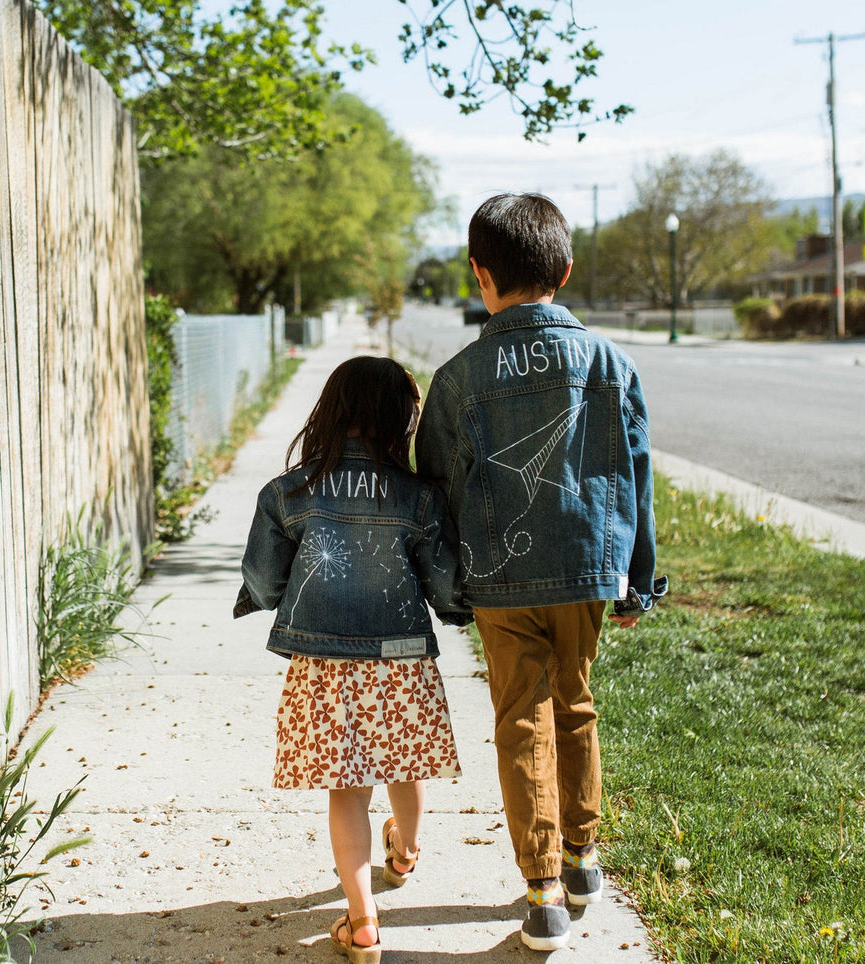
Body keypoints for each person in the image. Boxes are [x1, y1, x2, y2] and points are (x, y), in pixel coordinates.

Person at [414, 193, 668, 951]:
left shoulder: (457, 378)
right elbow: (636, 475)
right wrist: (639, 577)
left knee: (519, 716)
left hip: (498, 575)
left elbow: (436, 489)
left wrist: (447, 586)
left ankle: (542, 891)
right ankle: (582, 857)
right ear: (564, 269)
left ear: (477, 274)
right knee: (575, 703)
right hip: (589, 568)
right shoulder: (609, 363)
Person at [235, 356, 470, 964]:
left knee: (346, 789)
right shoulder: (420, 498)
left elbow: (262, 578)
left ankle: (363, 922)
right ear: (400, 418)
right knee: (404, 765)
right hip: (400, 659)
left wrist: (276, 603)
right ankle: (406, 852)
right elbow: (445, 588)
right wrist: (455, 612)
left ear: (331, 411)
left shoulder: (290, 490)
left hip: (323, 664)